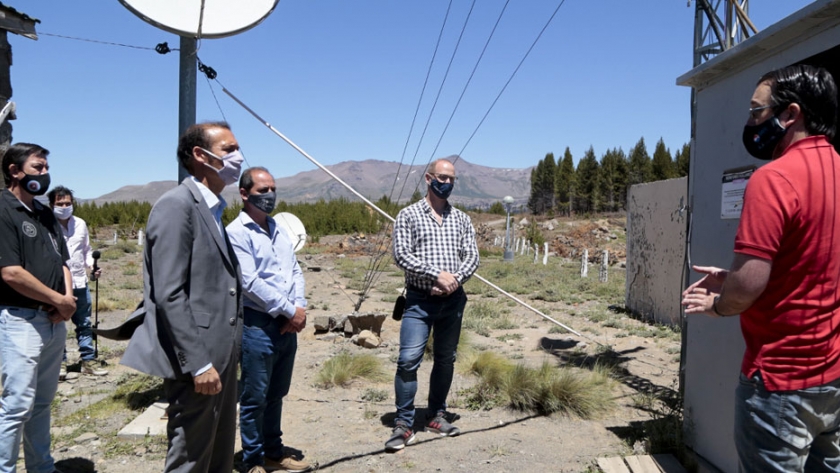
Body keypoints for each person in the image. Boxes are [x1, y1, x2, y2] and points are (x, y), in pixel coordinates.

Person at [682, 64, 840, 472]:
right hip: (834, 375)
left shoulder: (774, 179)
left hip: (780, 383)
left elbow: (748, 286)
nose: (751, 122)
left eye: (757, 112)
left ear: (790, 114)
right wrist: (733, 279)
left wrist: (719, 302)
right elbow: (813, 264)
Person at [120, 122, 244, 473]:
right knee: (190, 457)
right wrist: (199, 363)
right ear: (201, 156)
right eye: (229, 149)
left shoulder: (213, 209)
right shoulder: (176, 206)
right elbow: (169, 293)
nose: (238, 157)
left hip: (221, 355)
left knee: (218, 453)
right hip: (199, 361)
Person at [386, 158, 479, 452]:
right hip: (419, 301)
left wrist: (454, 280)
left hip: (453, 302)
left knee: (445, 358)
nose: (447, 183)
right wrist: (436, 274)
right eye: (442, 177)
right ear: (428, 178)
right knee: (408, 360)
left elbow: (472, 257)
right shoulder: (409, 215)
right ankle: (403, 423)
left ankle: (437, 415)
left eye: (452, 179)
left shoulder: (462, 219)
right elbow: (401, 254)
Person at [226, 167, 312, 473]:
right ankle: (252, 461)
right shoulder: (237, 233)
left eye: (272, 189)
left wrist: (298, 307)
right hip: (258, 325)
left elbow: (295, 271)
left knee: (277, 393)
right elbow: (249, 282)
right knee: (254, 397)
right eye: (262, 190)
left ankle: (273, 451)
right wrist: (290, 310)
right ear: (244, 193)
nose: (269, 195)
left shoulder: (278, 228)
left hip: (287, 325)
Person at [0, 143, 75, 473]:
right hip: (20, 320)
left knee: (42, 403)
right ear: (15, 171)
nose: (44, 174)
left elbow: (63, 262)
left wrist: (67, 302)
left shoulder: (44, 212)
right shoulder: (3, 210)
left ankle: (42, 467)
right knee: (16, 404)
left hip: (54, 321)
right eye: (38, 168)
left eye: (46, 168)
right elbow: (11, 273)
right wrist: (57, 300)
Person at [47, 186, 107, 380]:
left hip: (80, 281)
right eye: (60, 203)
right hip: (56, 284)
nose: (64, 207)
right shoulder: (45, 225)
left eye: (68, 203)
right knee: (56, 324)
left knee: (84, 322)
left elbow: (86, 250)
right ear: (51, 205)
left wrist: (92, 266)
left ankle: (88, 360)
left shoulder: (80, 224)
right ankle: (60, 363)